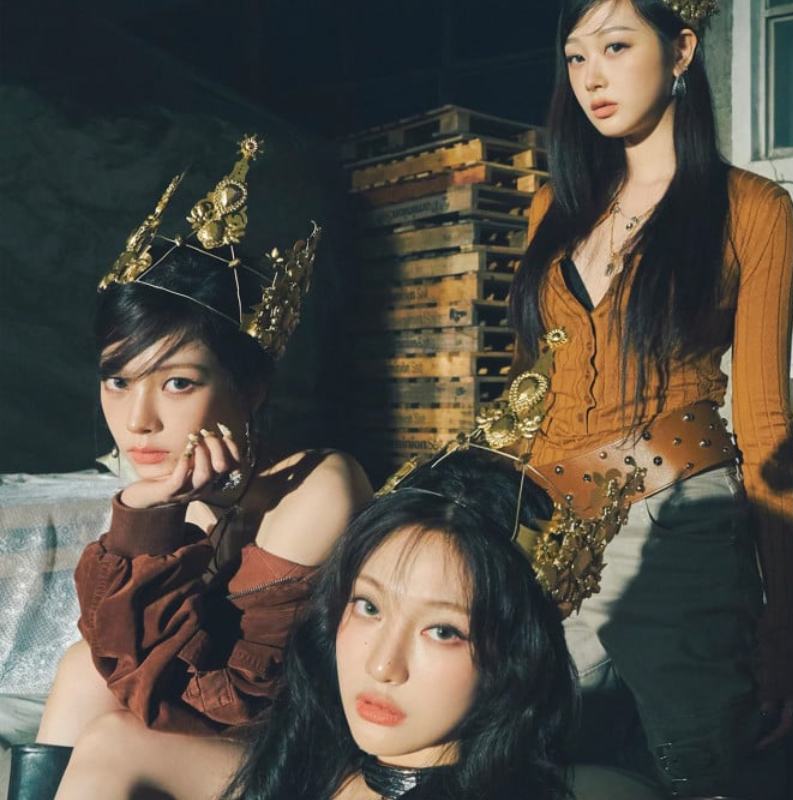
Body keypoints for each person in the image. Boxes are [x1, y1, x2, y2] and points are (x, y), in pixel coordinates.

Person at [7, 137, 373, 800]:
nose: (138, 420)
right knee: (83, 669)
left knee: (113, 737)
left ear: (250, 388)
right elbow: (113, 650)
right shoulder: (188, 480)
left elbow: (225, 698)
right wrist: (153, 512)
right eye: (119, 381)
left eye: (177, 383)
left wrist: (147, 524)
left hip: (297, 747)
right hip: (203, 726)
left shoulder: (318, 488)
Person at [508, 1, 793, 795]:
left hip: (675, 526)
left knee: (700, 767)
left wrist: (784, 620)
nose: (591, 77)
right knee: (533, 757)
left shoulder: (752, 209)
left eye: (615, 47)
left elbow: (765, 419)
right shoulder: (553, 208)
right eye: (576, 57)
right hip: (548, 527)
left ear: (681, 51)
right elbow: (533, 388)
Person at [220, 446, 662, 800]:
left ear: (516, 651)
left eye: (443, 631)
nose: (383, 666)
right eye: (369, 607)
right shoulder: (286, 769)